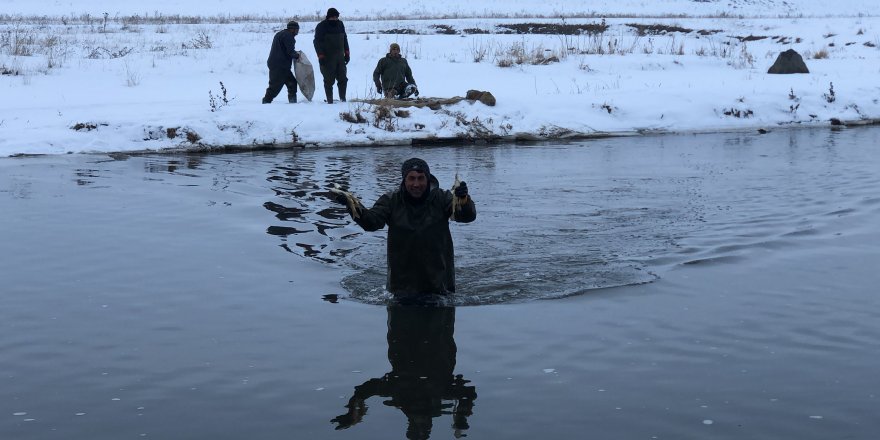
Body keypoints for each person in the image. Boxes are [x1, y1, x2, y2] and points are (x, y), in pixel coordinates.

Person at [334, 158, 476, 298]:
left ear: (428, 179)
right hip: (401, 286)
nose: (416, 184)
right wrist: (352, 205)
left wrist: (464, 200)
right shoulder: (391, 200)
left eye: (421, 178)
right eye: (411, 178)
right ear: (404, 180)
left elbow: (466, 216)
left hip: (439, 285)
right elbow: (371, 223)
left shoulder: (442, 198)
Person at [331, 305, 477, 439]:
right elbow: (468, 393)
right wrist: (461, 417)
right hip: (432, 323)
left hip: (412, 318)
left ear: (410, 425)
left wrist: (353, 411)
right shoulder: (433, 392)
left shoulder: (400, 393)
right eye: (423, 429)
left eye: (417, 428)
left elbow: (363, 391)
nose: (421, 424)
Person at [313, 8, 349, 103]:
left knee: (343, 79)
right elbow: (317, 42)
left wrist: (347, 53)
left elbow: (345, 39)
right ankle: (330, 101)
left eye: (336, 17)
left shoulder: (340, 24)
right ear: (328, 17)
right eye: (333, 17)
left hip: (340, 58)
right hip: (327, 58)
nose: (335, 19)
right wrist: (320, 56)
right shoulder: (321, 26)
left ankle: (343, 99)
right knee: (328, 80)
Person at [262, 21, 300, 104]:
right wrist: (297, 55)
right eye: (297, 29)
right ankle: (266, 102)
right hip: (279, 65)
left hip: (279, 64)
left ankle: (293, 104)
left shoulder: (280, 34)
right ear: (292, 29)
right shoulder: (289, 36)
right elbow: (290, 51)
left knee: (292, 83)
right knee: (275, 86)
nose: (298, 31)